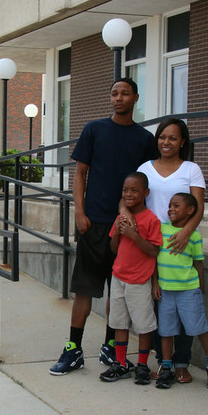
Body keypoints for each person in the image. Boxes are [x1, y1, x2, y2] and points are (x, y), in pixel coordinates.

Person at [49, 77, 155, 375]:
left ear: (135, 98)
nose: (118, 98)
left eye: (124, 93)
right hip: (93, 223)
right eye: (114, 93)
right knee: (84, 289)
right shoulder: (94, 129)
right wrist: (79, 213)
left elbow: (148, 184)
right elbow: (81, 173)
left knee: (117, 292)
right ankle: (74, 349)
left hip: (125, 229)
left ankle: (111, 347)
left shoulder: (144, 139)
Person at [136, 118, 205, 384]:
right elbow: (133, 198)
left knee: (184, 309)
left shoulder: (191, 169)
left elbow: (197, 207)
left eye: (173, 138)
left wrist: (185, 233)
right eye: (162, 137)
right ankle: (163, 362)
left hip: (180, 245)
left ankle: (182, 363)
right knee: (158, 305)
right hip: (152, 245)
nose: (166, 142)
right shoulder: (145, 168)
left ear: (183, 142)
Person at [152, 192, 208, 390]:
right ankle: (166, 368)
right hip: (165, 291)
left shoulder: (194, 236)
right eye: (170, 205)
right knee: (166, 331)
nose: (171, 209)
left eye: (176, 205)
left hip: (189, 290)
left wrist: (201, 287)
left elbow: (198, 263)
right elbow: (155, 259)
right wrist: (155, 283)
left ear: (190, 210)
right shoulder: (161, 229)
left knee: (198, 327)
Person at [99, 172, 161, 384]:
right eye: (125, 190)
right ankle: (120, 363)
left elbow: (154, 251)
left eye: (134, 190)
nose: (129, 194)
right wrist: (117, 232)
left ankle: (142, 364)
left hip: (140, 280)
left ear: (146, 193)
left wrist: (134, 235)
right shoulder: (121, 217)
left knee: (144, 325)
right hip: (119, 278)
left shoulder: (151, 220)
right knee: (119, 323)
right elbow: (114, 248)